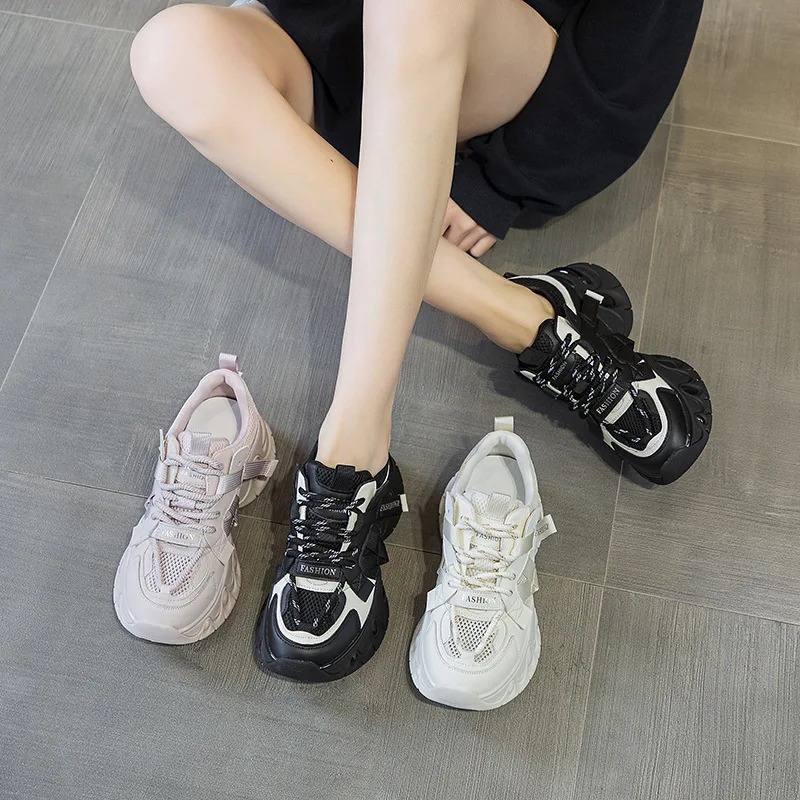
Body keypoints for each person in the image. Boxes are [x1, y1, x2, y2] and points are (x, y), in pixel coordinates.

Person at [128, 0, 711, 681]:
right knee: (169, 52)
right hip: (331, 53)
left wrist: (508, 178)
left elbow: (645, 26)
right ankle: (522, 316)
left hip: (481, 58)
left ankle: (353, 450)